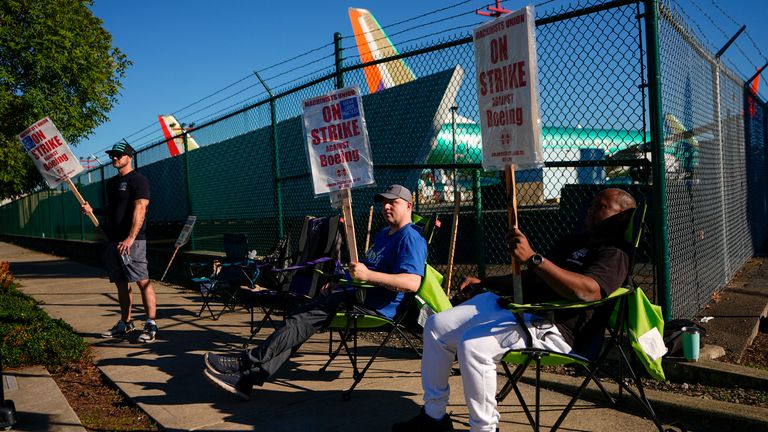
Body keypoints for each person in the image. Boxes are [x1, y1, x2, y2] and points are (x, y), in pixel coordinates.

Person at [393, 188, 637, 432]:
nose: (591, 209)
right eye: (593, 204)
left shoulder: (615, 253)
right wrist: (486, 282)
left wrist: (533, 258)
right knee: (437, 326)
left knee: (473, 346)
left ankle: (484, 429)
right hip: (522, 308)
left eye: (601, 206)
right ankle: (434, 417)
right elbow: (533, 278)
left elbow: (588, 291)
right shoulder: (572, 242)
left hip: (555, 327)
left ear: (622, 217)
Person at [204, 184, 428, 400]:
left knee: (300, 320)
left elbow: (411, 283)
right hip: (352, 294)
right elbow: (364, 271)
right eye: (384, 203)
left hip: (372, 306)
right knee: (299, 321)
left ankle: (245, 362)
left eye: (393, 203)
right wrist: (341, 282)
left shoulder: (410, 238)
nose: (387, 207)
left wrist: (367, 276)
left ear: (408, 206)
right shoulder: (383, 234)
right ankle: (245, 381)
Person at [80, 142, 158, 343]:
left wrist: (130, 238)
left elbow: (140, 209)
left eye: (118, 155)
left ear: (129, 157)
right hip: (113, 240)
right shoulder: (112, 183)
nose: (114, 158)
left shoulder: (138, 180)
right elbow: (113, 208)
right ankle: (126, 323)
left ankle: (151, 324)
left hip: (133, 241)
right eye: (112, 155)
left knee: (142, 280)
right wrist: (93, 211)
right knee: (121, 284)